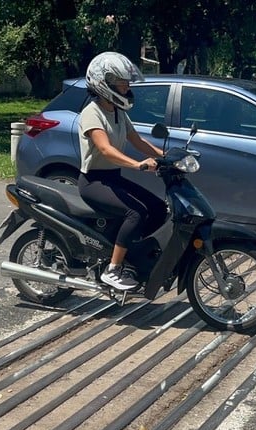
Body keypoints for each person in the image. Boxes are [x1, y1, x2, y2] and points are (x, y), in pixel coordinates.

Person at [78, 52, 165, 291]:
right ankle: (113, 270)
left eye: (125, 82)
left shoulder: (118, 112)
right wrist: (137, 165)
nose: (126, 86)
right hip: (93, 182)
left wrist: (166, 156)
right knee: (135, 213)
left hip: (113, 177)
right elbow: (105, 149)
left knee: (158, 208)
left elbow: (138, 141)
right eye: (120, 82)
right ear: (103, 83)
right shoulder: (92, 113)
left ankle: (132, 255)